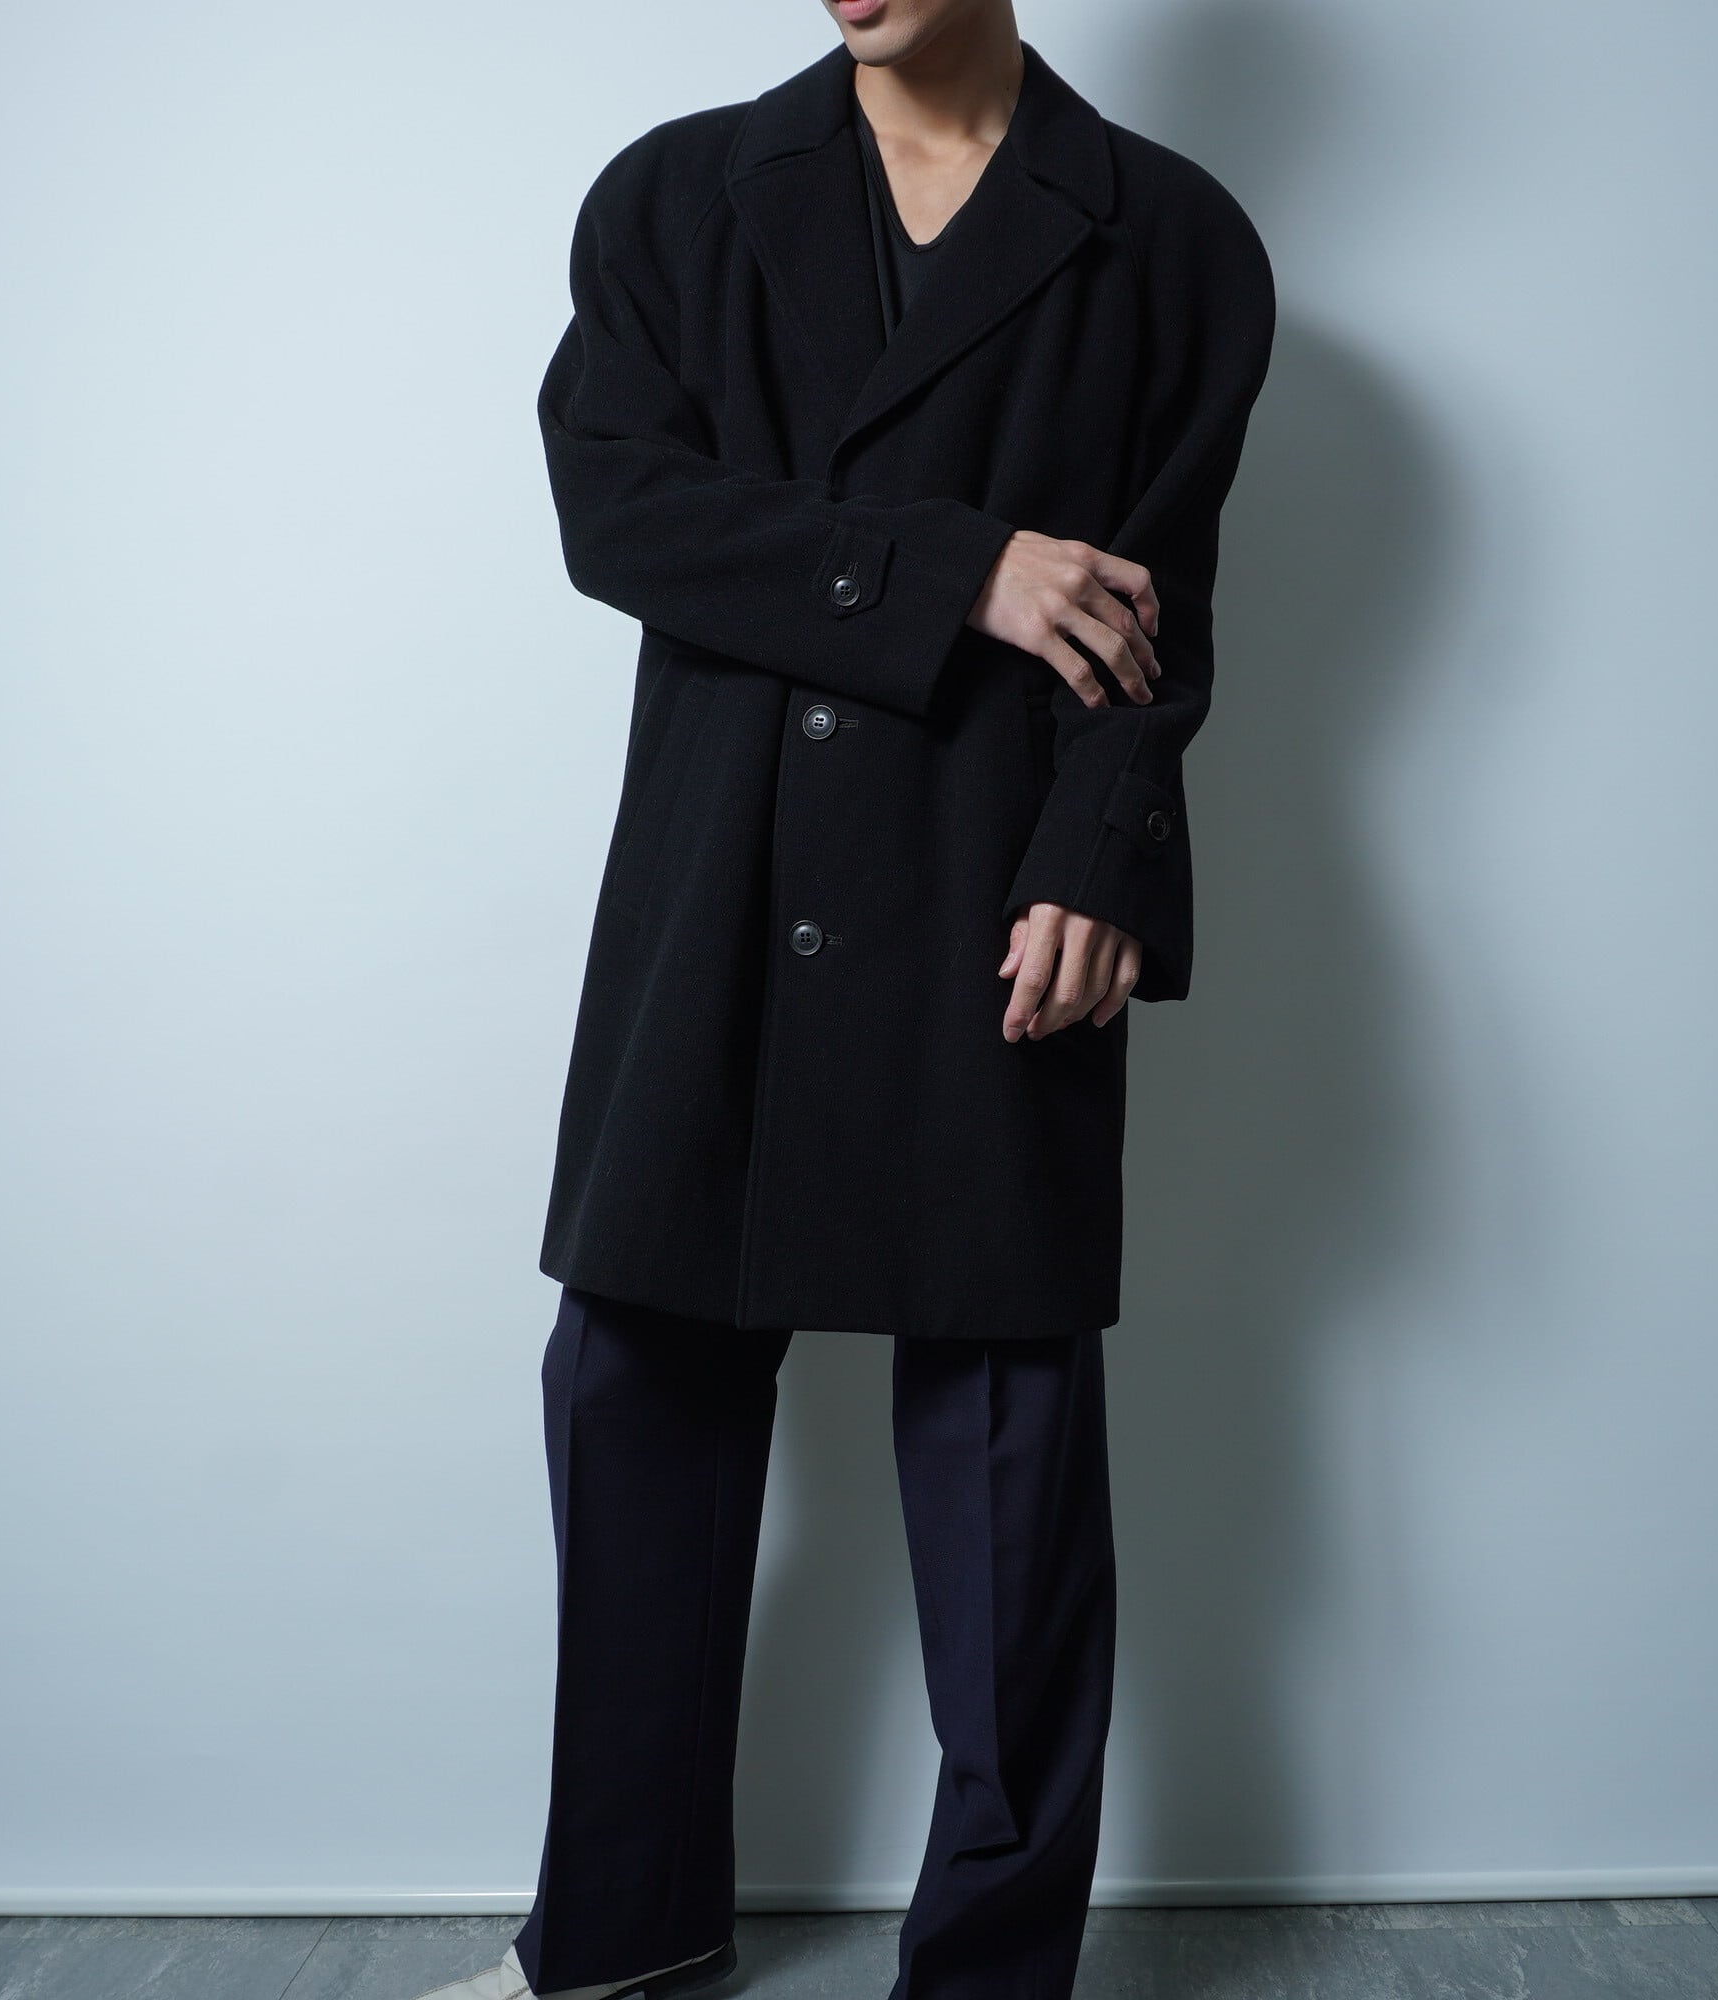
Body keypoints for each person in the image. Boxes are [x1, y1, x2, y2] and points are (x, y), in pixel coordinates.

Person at [421, 2, 1275, 1995]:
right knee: (631, 1380)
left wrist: (1101, 855)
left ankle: (988, 1971)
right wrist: (957, 569)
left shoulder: (1169, 238)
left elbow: (1164, 612)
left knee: (1004, 1434)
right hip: (721, 873)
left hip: (986, 877)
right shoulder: (678, 198)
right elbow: (617, 510)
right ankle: (619, 1937)